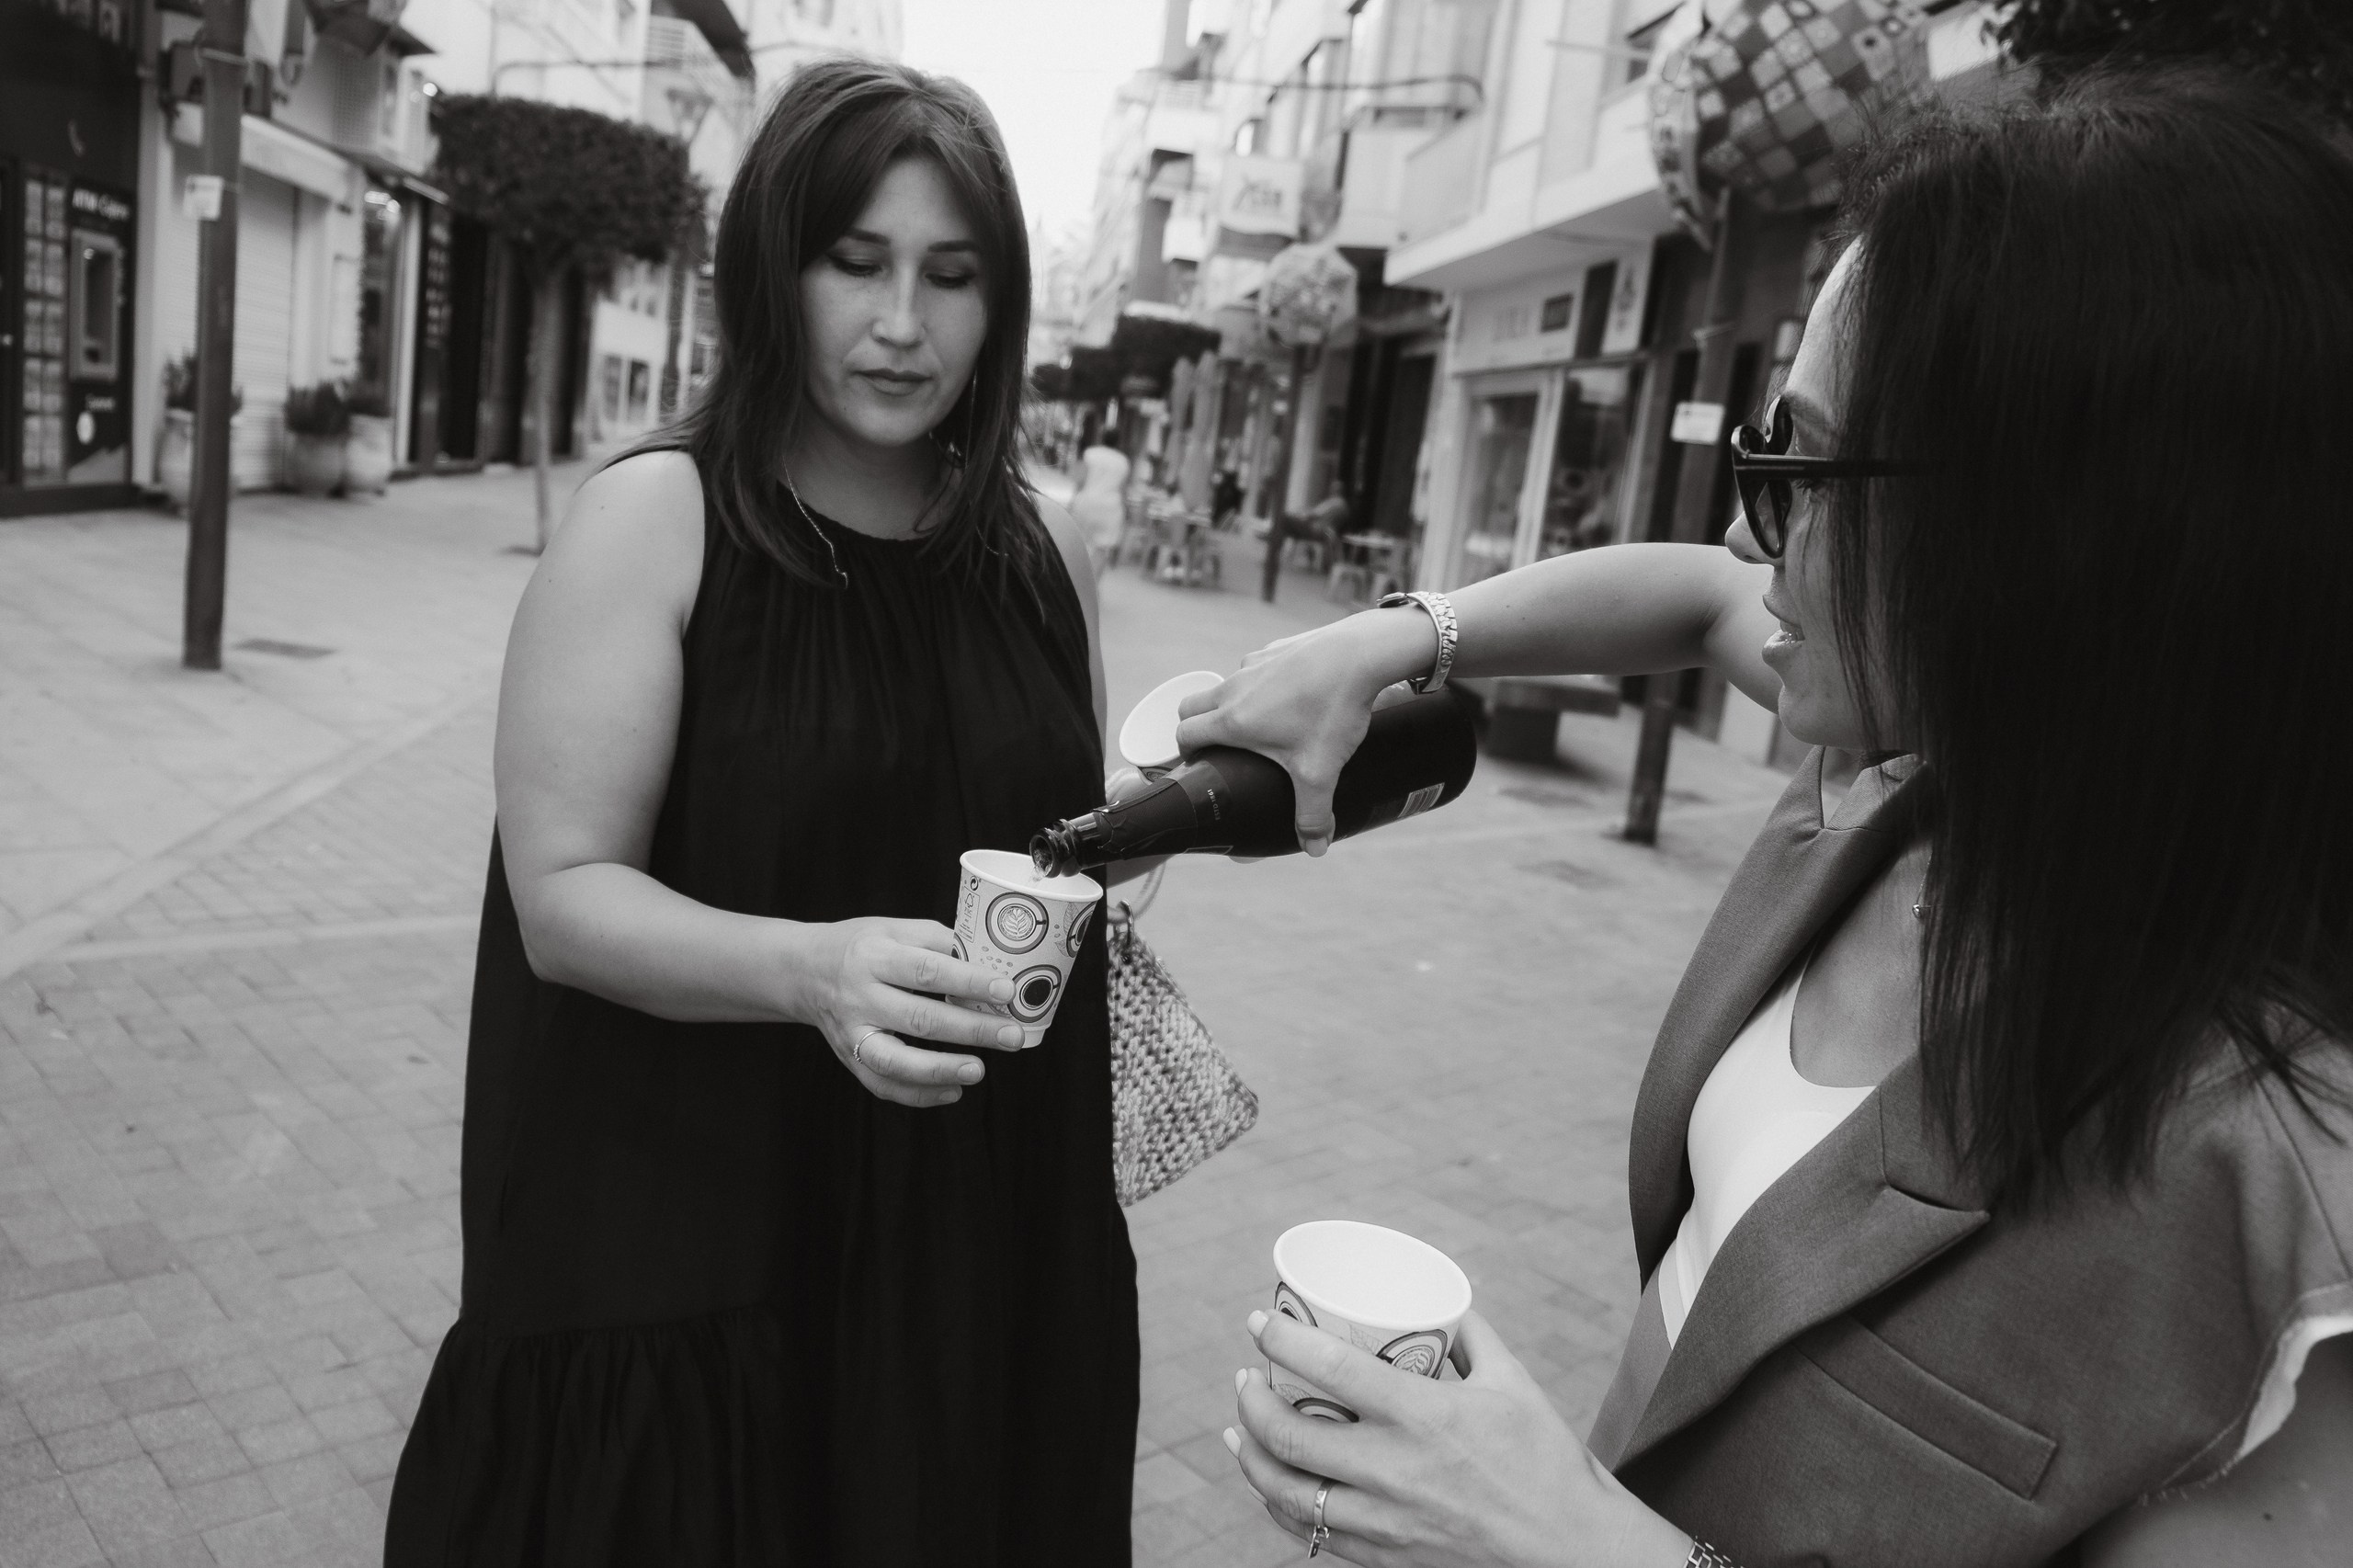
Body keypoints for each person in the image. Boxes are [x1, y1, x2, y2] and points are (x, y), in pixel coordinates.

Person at [1179, 68, 2353, 1568]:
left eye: (1800, 466)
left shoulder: (2287, 1211)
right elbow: (1691, 590)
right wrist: (1396, 639)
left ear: (2058, 532)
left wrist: (1560, 1532)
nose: (1752, 527)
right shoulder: (1917, 778)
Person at [385, 61, 1142, 1566]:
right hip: (699, 1229)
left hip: (976, 1228)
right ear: (771, 267)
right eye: (854, 262)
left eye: (953, 275)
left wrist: (1140, 847)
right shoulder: (657, 520)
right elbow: (564, 893)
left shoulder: (1051, 546)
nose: (903, 323)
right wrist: (817, 972)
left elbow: (1059, 829)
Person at [1068, 441, 1132, 574]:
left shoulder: (1090, 453)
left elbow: (1081, 480)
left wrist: (1073, 501)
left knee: (1079, 542)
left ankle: (1075, 576)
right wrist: (1126, 510)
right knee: (1102, 549)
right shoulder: (1123, 461)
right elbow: (1123, 489)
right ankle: (1093, 583)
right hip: (1110, 507)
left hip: (1087, 502)